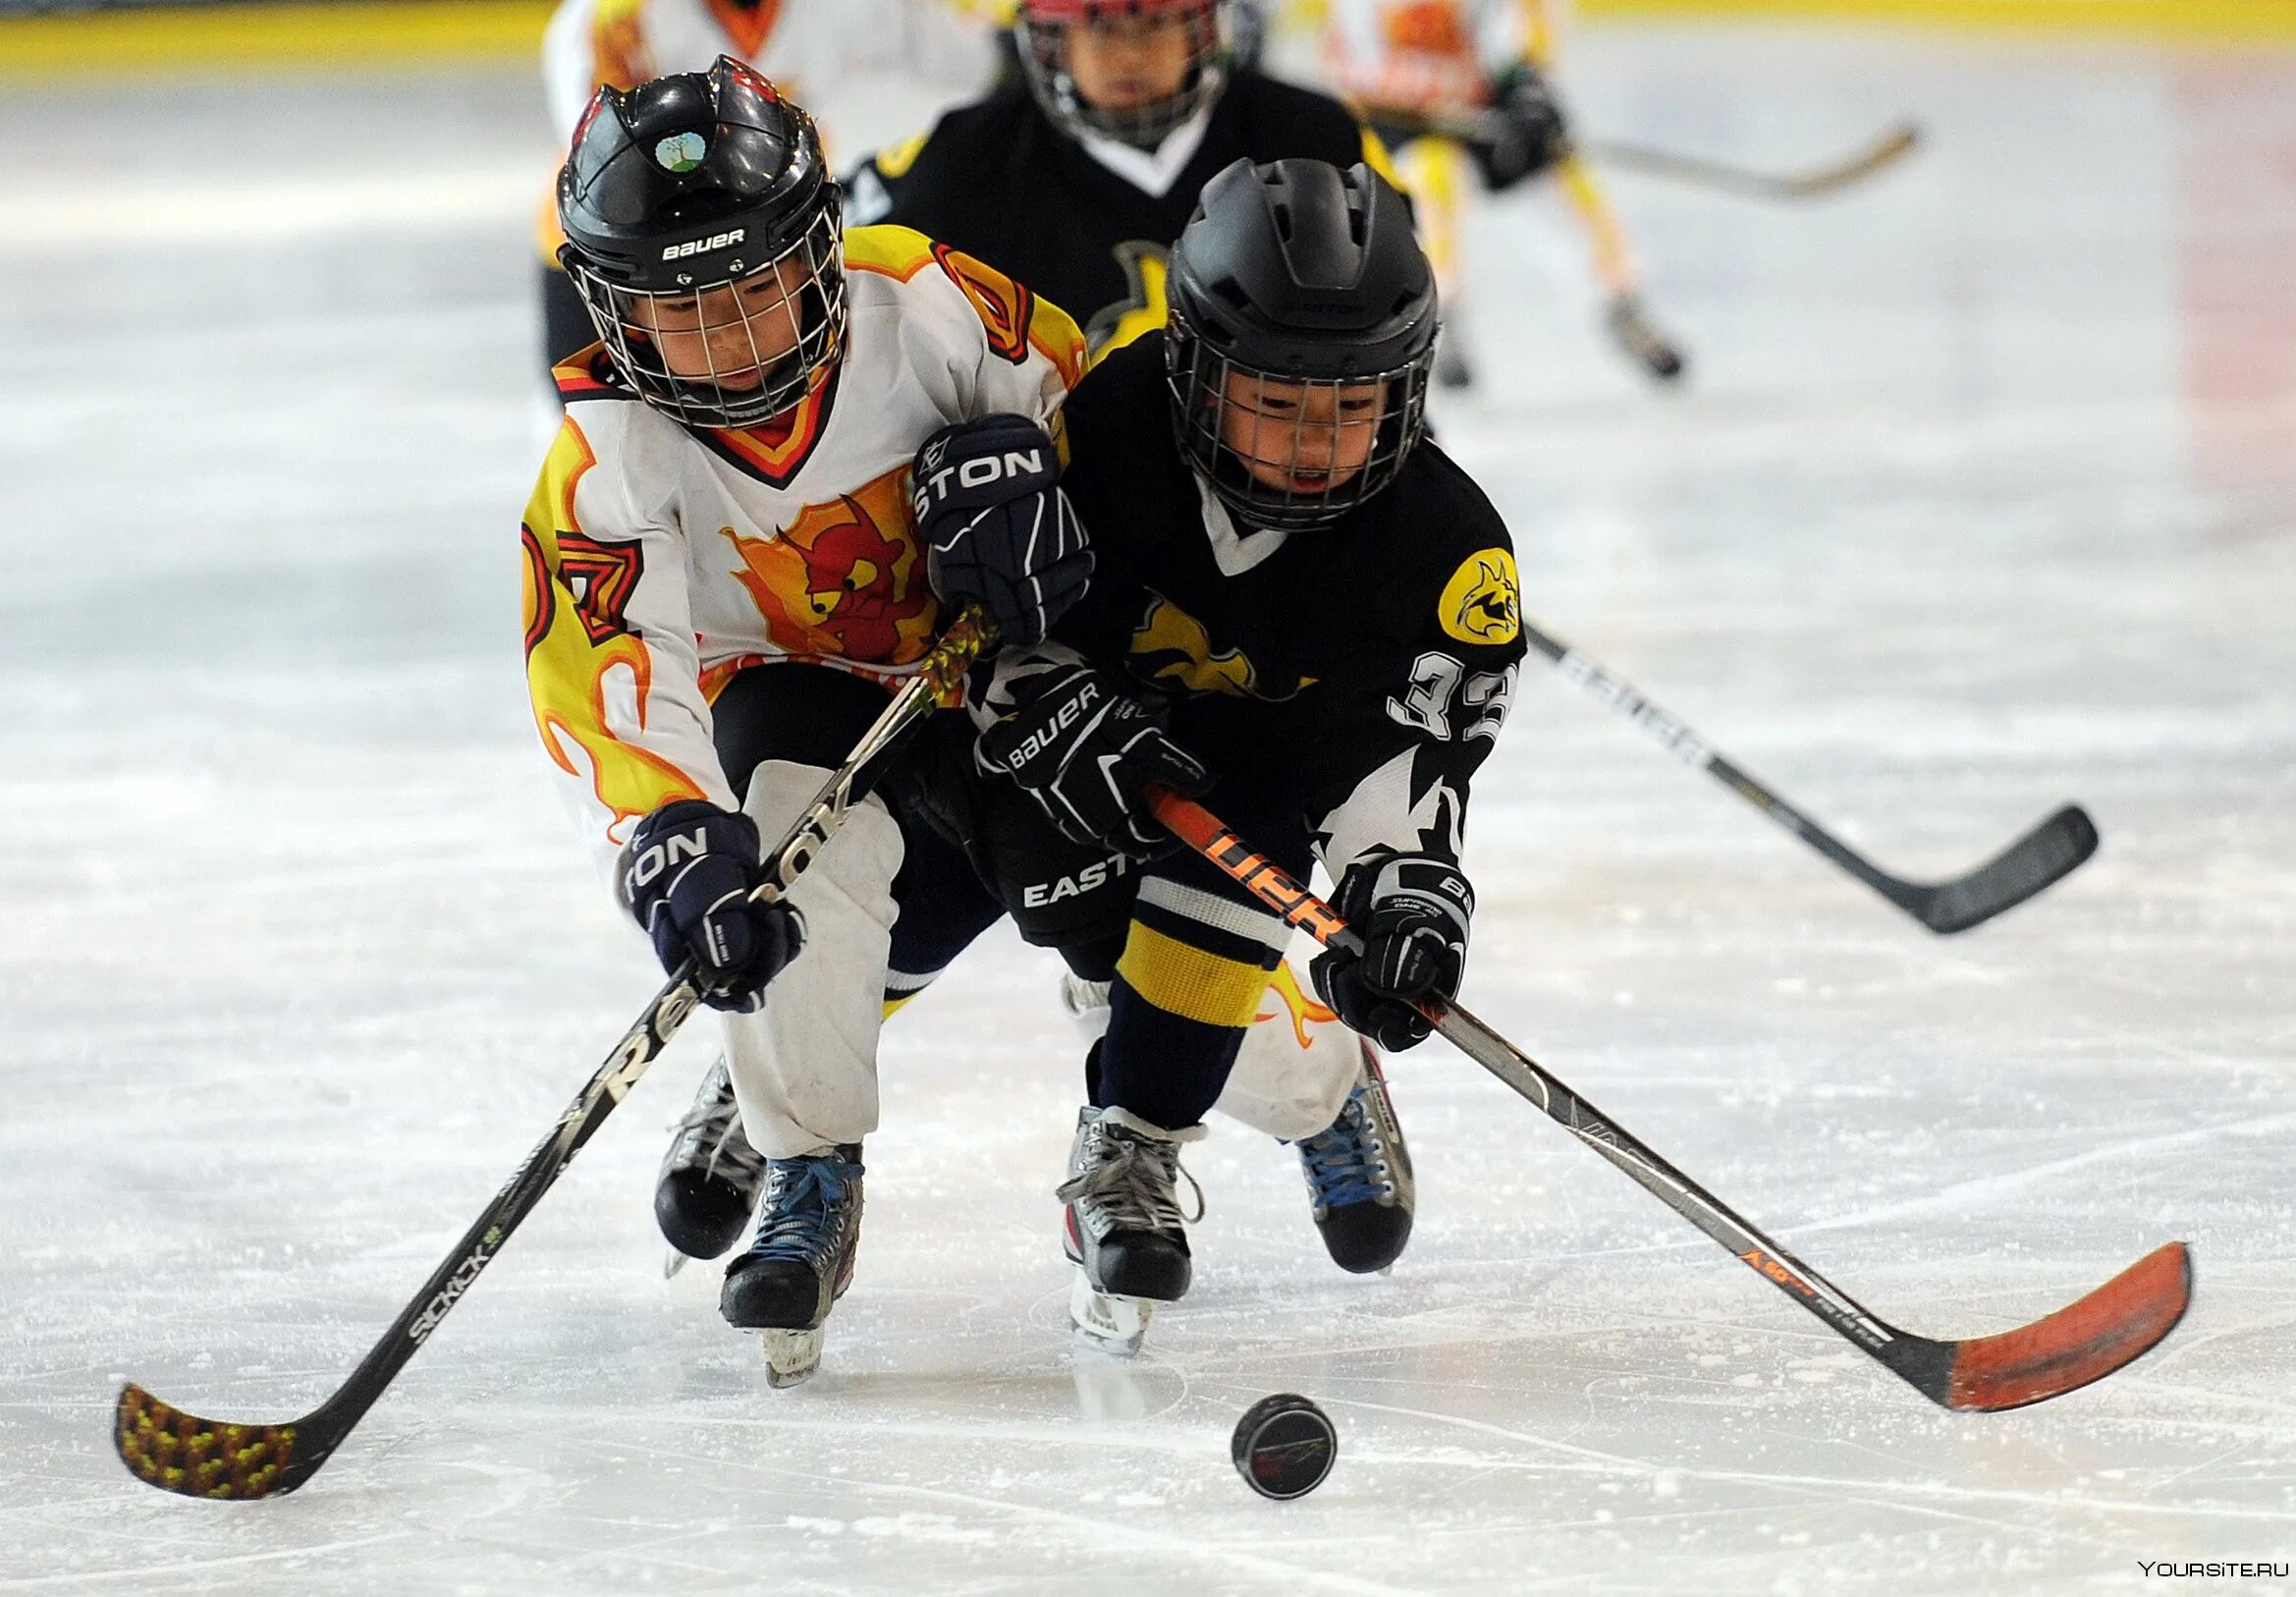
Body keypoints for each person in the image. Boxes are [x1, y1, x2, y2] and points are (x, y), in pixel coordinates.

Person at [653, 0, 1428, 1301]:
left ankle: (1313, 1074)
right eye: (1095, 22)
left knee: (1127, 927)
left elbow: (1375, 331)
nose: (1128, 53)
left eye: (1156, 20)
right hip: (910, 596)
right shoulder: (960, 162)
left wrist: (1364, 520)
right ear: (1038, 39)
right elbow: (836, 299)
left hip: (1110, 600)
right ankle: (782, 1093)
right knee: (807, 866)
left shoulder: (1301, 135)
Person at [848, 156, 1523, 1350]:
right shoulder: (1095, 436)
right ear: (1195, 372)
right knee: (914, 862)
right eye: (1276, 401)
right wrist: (1038, 694)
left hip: (1236, 807)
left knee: (1209, 935)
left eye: (1349, 404)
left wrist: (1406, 898)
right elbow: (976, 619)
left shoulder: (1448, 551)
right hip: (1055, 765)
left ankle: (1169, 1132)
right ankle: (787, 1101)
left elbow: (1402, 776)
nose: (1314, 446)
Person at [525, 57, 1090, 1385]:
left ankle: (1299, 1080)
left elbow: (1104, 412)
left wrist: (1048, 494)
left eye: (753, 287)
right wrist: (663, 829)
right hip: (797, 704)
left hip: (1000, 668)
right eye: (680, 310)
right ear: (613, 311)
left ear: (818, 250)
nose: (728, 340)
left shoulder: (933, 302)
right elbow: (606, 677)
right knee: (779, 853)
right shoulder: (606, 462)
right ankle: (803, 1160)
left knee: (1119, 891)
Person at [1320, 0, 1684, 385]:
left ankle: (1620, 304)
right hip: (1407, 125)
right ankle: (1439, 315)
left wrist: (1527, 93)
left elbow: (1514, 40)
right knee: (1431, 184)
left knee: (1567, 185)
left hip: (1487, 115)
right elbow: (1353, 70)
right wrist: (1427, 98)